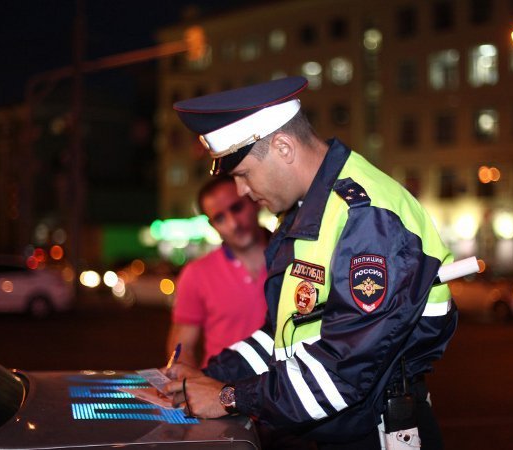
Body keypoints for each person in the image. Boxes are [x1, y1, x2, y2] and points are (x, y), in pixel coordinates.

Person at [163, 76, 457, 450]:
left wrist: (228, 397)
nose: (242, 191)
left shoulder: (364, 216)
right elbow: (286, 333)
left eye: (243, 174)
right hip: (340, 427)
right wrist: (207, 375)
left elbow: (343, 372)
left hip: (378, 433)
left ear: (283, 147)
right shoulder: (305, 212)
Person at [166, 175, 269, 368]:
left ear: (255, 201)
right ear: (212, 226)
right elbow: (182, 347)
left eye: (237, 208)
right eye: (220, 218)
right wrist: (189, 379)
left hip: (285, 384)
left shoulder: (294, 257)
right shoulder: (196, 274)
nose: (233, 224)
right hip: (220, 385)